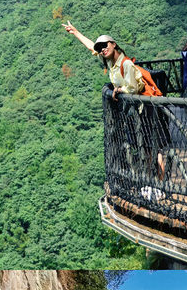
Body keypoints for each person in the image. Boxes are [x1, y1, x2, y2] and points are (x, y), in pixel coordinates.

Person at [62, 22, 169, 185]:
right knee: (147, 149)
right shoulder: (111, 63)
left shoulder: (125, 63)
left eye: (105, 45)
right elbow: (92, 47)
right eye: (101, 48)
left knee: (156, 148)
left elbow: (132, 88)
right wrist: (76, 32)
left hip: (149, 108)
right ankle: (152, 184)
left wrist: (118, 90)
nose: (103, 49)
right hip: (139, 110)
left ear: (113, 44)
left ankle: (161, 183)